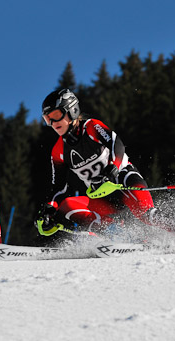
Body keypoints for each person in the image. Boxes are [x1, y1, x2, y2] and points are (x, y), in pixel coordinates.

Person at [34, 88, 161, 237]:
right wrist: (49, 208)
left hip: (123, 181)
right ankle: (118, 236)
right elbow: (59, 186)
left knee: (146, 214)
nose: (53, 123)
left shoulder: (91, 127)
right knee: (67, 206)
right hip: (101, 197)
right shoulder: (58, 151)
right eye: (48, 119)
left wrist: (112, 169)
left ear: (72, 110)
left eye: (56, 115)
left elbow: (116, 144)